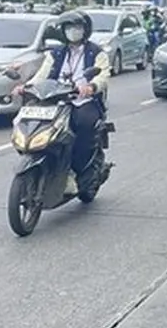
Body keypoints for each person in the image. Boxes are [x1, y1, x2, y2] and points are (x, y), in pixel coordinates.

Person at [13, 11, 111, 198]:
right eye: (69, 28)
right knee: (29, 121)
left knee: (83, 125)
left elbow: (103, 75)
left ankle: (76, 170)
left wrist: (91, 86)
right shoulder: (55, 54)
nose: (73, 32)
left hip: (83, 101)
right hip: (54, 99)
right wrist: (25, 87)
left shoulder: (96, 53)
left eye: (77, 28)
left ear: (85, 30)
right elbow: (42, 75)